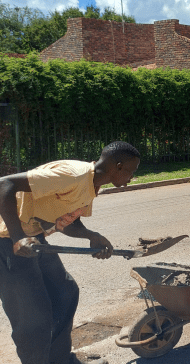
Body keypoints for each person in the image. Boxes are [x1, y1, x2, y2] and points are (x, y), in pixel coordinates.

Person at [0, 141, 140, 364]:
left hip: (34, 238)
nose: (132, 177)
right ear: (119, 166)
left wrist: (91, 236)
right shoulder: (72, 175)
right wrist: (17, 237)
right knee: (33, 315)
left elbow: (66, 222)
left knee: (64, 292)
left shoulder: (91, 186)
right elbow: (5, 184)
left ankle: (60, 360)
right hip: (6, 240)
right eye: (132, 172)